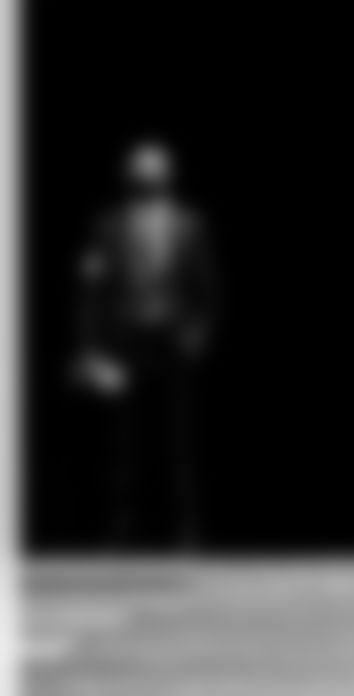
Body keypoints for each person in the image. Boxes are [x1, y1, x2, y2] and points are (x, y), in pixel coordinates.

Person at [72, 139, 218, 550]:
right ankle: (122, 527)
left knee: (178, 438)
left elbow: (207, 284)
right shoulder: (107, 224)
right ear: (129, 176)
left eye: (155, 170)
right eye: (140, 170)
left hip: (171, 336)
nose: (148, 177)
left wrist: (199, 330)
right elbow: (92, 287)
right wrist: (90, 346)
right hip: (125, 336)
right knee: (123, 440)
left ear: (168, 175)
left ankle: (184, 526)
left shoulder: (190, 223)